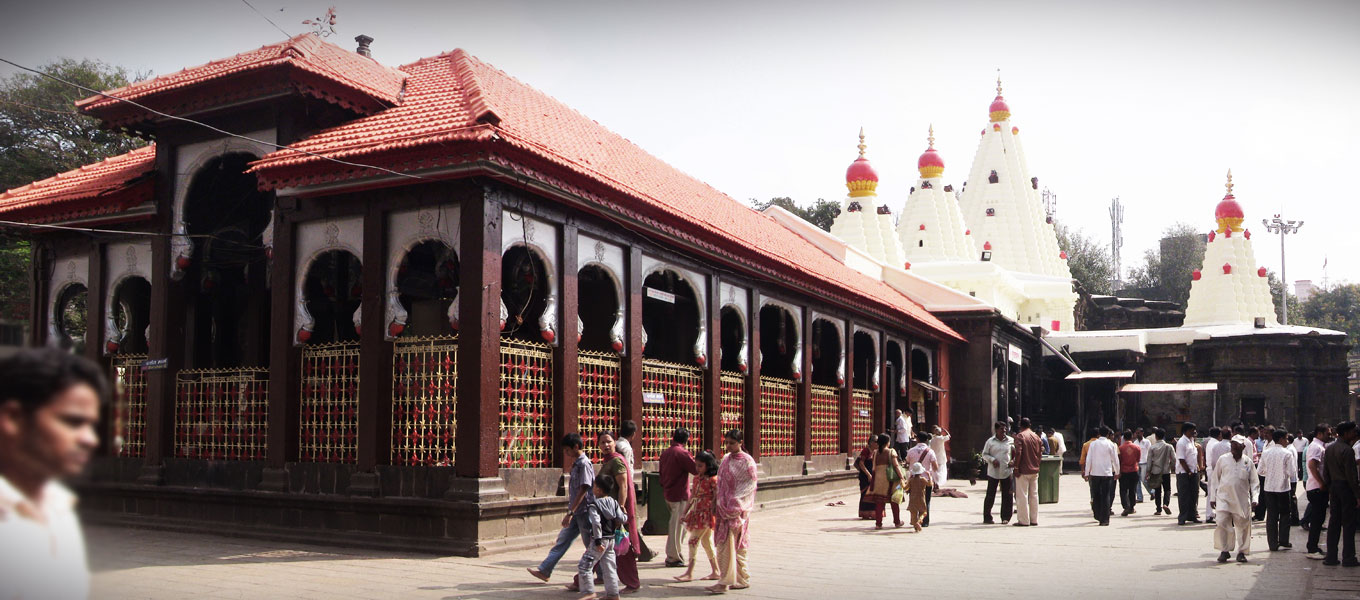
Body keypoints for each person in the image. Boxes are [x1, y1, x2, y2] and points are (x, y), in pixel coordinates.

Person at [0, 347, 106, 600]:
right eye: (72, 422)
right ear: (14, 418)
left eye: (91, 425)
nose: (90, 440)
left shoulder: (59, 509)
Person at [529, 433, 595, 584]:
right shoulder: (577, 463)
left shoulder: (584, 464)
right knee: (563, 540)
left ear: (576, 447)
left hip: (583, 511)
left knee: (591, 546)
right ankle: (545, 569)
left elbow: (584, 489)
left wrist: (570, 512)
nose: (566, 453)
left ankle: (602, 574)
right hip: (576, 511)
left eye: (567, 450)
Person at [706, 429, 757, 595]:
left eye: (732, 443)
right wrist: (716, 502)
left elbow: (749, 486)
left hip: (736, 511)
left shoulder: (748, 462)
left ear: (740, 443)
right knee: (725, 546)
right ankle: (741, 579)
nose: (728, 446)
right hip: (723, 509)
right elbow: (720, 484)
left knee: (733, 546)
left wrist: (735, 504)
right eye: (726, 442)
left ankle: (724, 582)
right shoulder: (726, 459)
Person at [592, 433, 641, 593]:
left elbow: (623, 486)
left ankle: (632, 583)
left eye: (608, 441)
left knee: (622, 549)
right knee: (600, 545)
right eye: (602, 442)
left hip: (614, 512)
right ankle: (585, 578)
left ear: (614, 443)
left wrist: (620, 507)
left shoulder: (617, 461)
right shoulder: (608, 461)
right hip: (605, 511)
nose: (606, 445)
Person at [576, 476, 625, 600]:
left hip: (600, 540)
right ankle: (613, 594)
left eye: (595, 486)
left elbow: (596, 523)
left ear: (599, 489)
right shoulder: (613, 502)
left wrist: (597, 541)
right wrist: (624, 513)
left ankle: (588, 591)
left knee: (584, 565)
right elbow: (622, 519)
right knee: (609, 567)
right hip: (611, 539)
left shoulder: (594, 505)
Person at [1211, 435, 1259, 563]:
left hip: (1241, 499)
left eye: (1237, 445)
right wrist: (1212, 497)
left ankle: (1242, 552)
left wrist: (1255, 498)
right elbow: (1215, 479)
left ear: (1243, 447)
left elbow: (1254, 482)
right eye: (1232, 444)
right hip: (1224, 497)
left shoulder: (1248, 462)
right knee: (1221, 522)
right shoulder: (1223, 459)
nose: (1234, 447)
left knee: (1243, 526)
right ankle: (1224, 550)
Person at [674, 451, 719, 583]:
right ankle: (715, 571)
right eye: (696, 465)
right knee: (706, 542)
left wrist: (714, 512)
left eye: (700, 466)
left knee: (692, 541)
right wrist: (685, 512)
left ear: (708, 465)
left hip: (706, 514)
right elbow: (692, 497)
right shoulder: (697, 478)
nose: (697, 468)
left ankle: (690, 572)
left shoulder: (713, 480)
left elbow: (716, 497)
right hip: (696, 512)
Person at [659, 427, 699, 567]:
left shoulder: (666, 453)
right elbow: (695, 469)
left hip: (668, 492)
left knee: (676, 525)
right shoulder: (682, 453)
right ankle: (673, 556)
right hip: (679, 494)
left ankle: (674, 554)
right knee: (677, 527)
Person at [1321, 421, 1360, 567]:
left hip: (1334, 487)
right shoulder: (1347, 450)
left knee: (1334, 522)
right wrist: (1357, 495)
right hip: (1345, 487)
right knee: (1348, 524)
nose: (1354, 434)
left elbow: (1326, 471)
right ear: (1345, 433)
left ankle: (1331, 556)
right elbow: (1351, 476)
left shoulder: (1329, 449)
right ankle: (1348, 557)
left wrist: (1329, 486)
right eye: (1352, 431)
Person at [1259, 430, 1296, 551]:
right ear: (1280, 439)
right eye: (1286, 438)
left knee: (1272, 515)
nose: (1287, 441)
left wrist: (1270, 473)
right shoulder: (1287, 453)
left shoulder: (1266, 452)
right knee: (1285, 514)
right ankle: (1284, 540)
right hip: (1283, 487)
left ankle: (1273, 543)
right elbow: (1292, 472)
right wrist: (1282, 474)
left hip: (1269, 487)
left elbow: (1260, 471)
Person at [1304, 423, 1334, 560]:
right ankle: (1312, 548)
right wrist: (1321, 483)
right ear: (1320, 433)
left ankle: (1314, 546)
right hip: (1316, 487)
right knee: (1316, 520)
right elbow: (1312, 465)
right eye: (1328, 433)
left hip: (1317, 487)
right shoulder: (1316, 447)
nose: (1330, 436)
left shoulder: (1319, 446)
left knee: (1319, 518)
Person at [867, 433, 906, 530]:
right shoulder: (891, 451)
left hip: (879, 480)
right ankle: (897, 522)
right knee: (894, 500)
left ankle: (878, 523)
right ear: (887, 442)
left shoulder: (875, 453)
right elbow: (896, 466)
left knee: (879, 503)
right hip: (891, 480)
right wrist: (902, 477)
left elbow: (874, 467)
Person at [1083, 426, 1119, 526]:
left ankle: (1097, 514)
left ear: (1099, 434)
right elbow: (1115, 459)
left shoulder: (1093, 444)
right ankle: (1105, 519)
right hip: (1106, 473)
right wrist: (1117, 471)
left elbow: (1088, 459)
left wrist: (1087, 473)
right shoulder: (1110, 444)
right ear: (1108, 434)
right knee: (1106, 495)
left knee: (1096, 495)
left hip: (1095, 473)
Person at [981, 421, 1014, 524]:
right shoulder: (990, 442)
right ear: (996, 430)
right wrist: (992, 459)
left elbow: (1016, 453)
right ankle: (987, 517)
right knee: (990, 495)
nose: (1004, 432)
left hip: (1006, 471)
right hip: (993, 472)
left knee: (1007, 496)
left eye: (1005, 430)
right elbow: (984, 454)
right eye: (1001, 430)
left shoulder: (1011, 441)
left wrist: (1014, 461)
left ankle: (1005, 517)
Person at [1012, 417, 1042, 527]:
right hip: (1034, 469)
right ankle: (1034, 519)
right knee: (1034, 495)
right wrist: (1037, 464)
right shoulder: (1036, 436)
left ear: (1021, 425)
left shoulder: (1021, 436)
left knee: (1022, 495)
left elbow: (1018, 453)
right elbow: (1040, 454)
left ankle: (1023, 520)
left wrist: (1016, 467)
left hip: (1023, 470)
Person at [905, 431, 939, 526]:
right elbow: (935, 467)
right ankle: (924, 521)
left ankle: (914, 520)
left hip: (913, 479)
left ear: (917, 439)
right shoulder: (930, 451)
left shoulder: (911, 450)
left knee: (913, 500)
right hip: (925, 479)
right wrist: (931, 473)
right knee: (926, 500)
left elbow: (907, 462)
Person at [1176, 422, 1202, 525]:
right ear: (1186, 430)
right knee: (1184, 495)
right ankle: (1182, 517)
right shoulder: (1182, 442)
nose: (1194, 432)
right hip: (1184, 472)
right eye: (1192, 429)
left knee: (1194, 494)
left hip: (1194, 471)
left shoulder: (1192, 441)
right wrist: (1189, 471)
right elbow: (1181, 459)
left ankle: (1192, 515)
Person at [1147, 427, 1175, 515]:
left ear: (1156, 436)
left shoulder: (1152, 447)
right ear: (1164, 436)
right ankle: (1166, 504)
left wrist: (1148, 471)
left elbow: (1149, 461)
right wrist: (1173, 467)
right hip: (1166, 471)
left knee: (1157, 490)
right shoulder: (1169, 446)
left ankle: (1158, 509)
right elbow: (1174, 459)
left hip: (1156, 471)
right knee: (1167, 489)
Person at [1202, 427, 1228, 524]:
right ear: (1219, 434)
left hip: (1210, 469)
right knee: (1214, 492)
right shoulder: (1215, 444)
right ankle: (1211, 514)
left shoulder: (1209, 442)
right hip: (1214, 469)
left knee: (1212, 492)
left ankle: (1211, 514)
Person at [1117, 429, 1141, 517]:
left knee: (1123, 490)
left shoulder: (1120, 448)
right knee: (1132, 489)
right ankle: (1131, 507)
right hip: (1134, 470)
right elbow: (1138, 459)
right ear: (1131, 437)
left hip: (1124, 471)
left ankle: (1125, 506)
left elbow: (1119, 460)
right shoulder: (1137, 447)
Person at [853, 436, 877, 520]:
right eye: (876, 441)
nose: (877, 444)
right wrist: (868, 475)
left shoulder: (875, 452)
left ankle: (873, 512)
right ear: (871, 442)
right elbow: (861, 463)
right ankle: (865, 512)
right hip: (865, 476)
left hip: (873, 475)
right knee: (865, 494)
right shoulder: (866, 451)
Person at [907, 462, 930, 532]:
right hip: (921, 498)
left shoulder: (911, 480)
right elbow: (930, 484)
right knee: (923, 512)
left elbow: (905, 488)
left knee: (914, 513)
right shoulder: (923, 479)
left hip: (912, 499)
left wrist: (902, 483)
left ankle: (916, 525)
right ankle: (919, 521)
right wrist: (930, 476)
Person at [1135, 428, 1150, 503]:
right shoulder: (1135, 443)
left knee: (1144, 480)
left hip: (1145, 462)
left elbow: (1150, 452)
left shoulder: (1147, 442)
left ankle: (1152, 492)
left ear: (1142, 433)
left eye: (1139, 433)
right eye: (1136, 433)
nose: (1137, 434)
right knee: (1137, 481)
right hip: (1137, 463)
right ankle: (1140, 497)